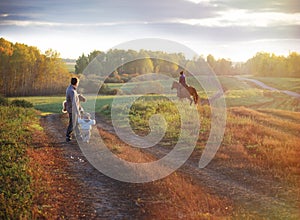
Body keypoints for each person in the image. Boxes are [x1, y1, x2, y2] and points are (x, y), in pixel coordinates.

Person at [65, 77, 81, 142]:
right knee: (72, 123)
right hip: (72, 110)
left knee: (75, 123)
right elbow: (74, 103)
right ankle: (68, 136)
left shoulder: (70, 89)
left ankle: (78, 136)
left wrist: (79, 96)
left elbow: (74, 97)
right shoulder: (72, 91)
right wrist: (78, 112)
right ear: (76, 83)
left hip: (71, 109)